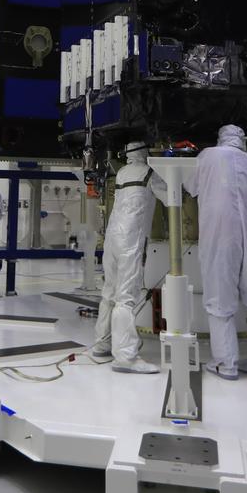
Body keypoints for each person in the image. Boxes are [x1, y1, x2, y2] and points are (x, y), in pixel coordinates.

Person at [184, 124, 247, 380]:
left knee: (219, 298)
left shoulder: (208, 156)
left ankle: (226, 364)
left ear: (220, 138)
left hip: (221, 236)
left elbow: (190, 186)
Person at [92, 141, 168, 373]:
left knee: (110, 292)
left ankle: (102, 344)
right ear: (145, 152)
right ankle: (125, 356)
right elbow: (170, 196)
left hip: (113, 237)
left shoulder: (122, 172)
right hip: (130, 240)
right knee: (126, 296)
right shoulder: (149, 173)